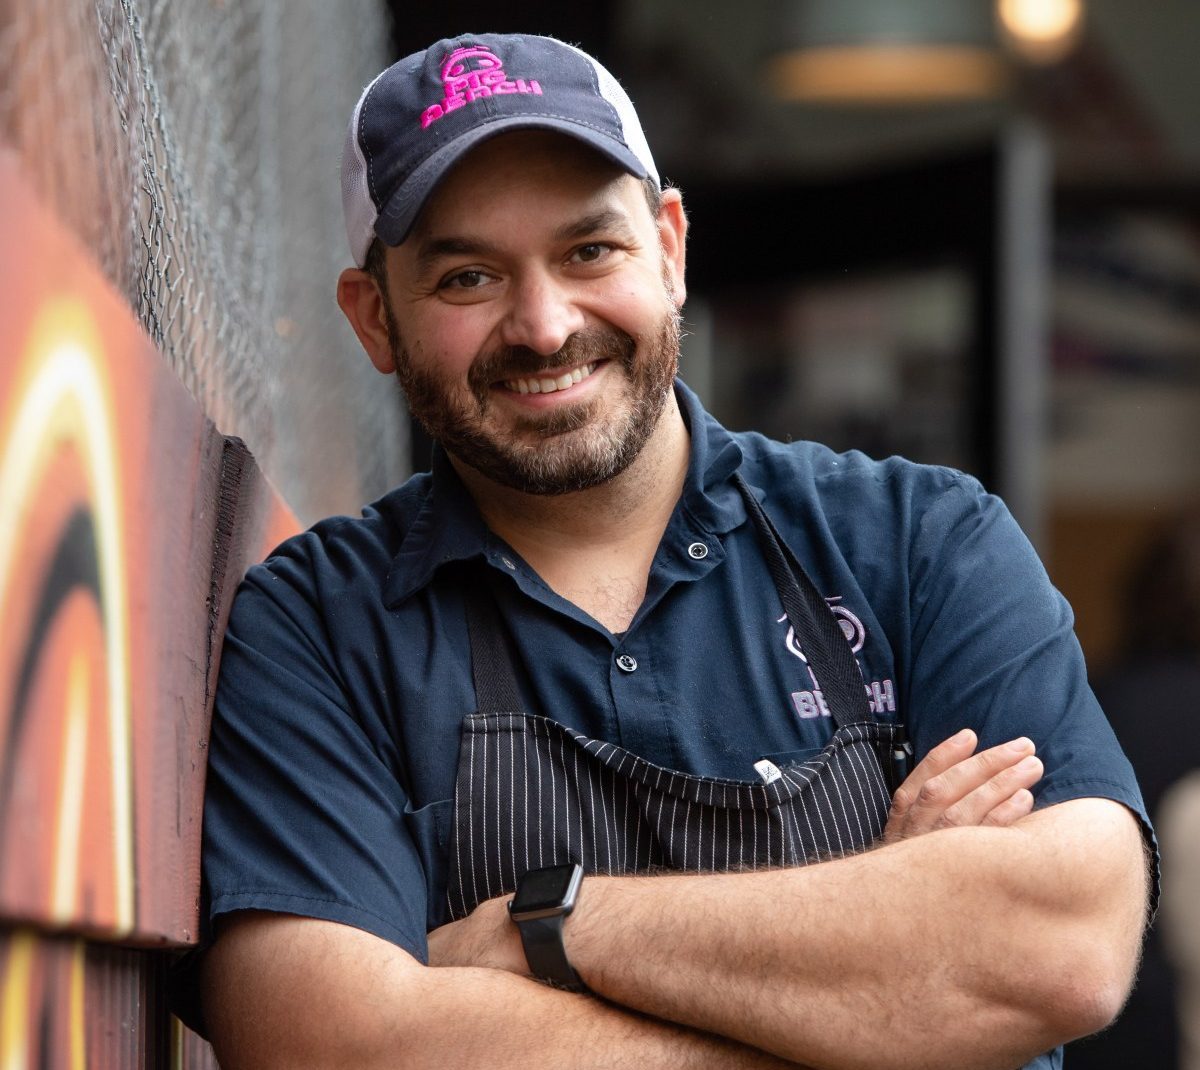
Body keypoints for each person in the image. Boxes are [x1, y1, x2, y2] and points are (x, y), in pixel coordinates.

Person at [191, 33, 1155, 1069]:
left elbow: (1064, 946)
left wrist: (546, 927)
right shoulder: (318, 625)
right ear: (375, 318)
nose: (546, 324)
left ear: (671, 247)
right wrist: (877, 982)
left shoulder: (918, 542)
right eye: (468, 276)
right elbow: (335, 1044)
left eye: (588, 251)